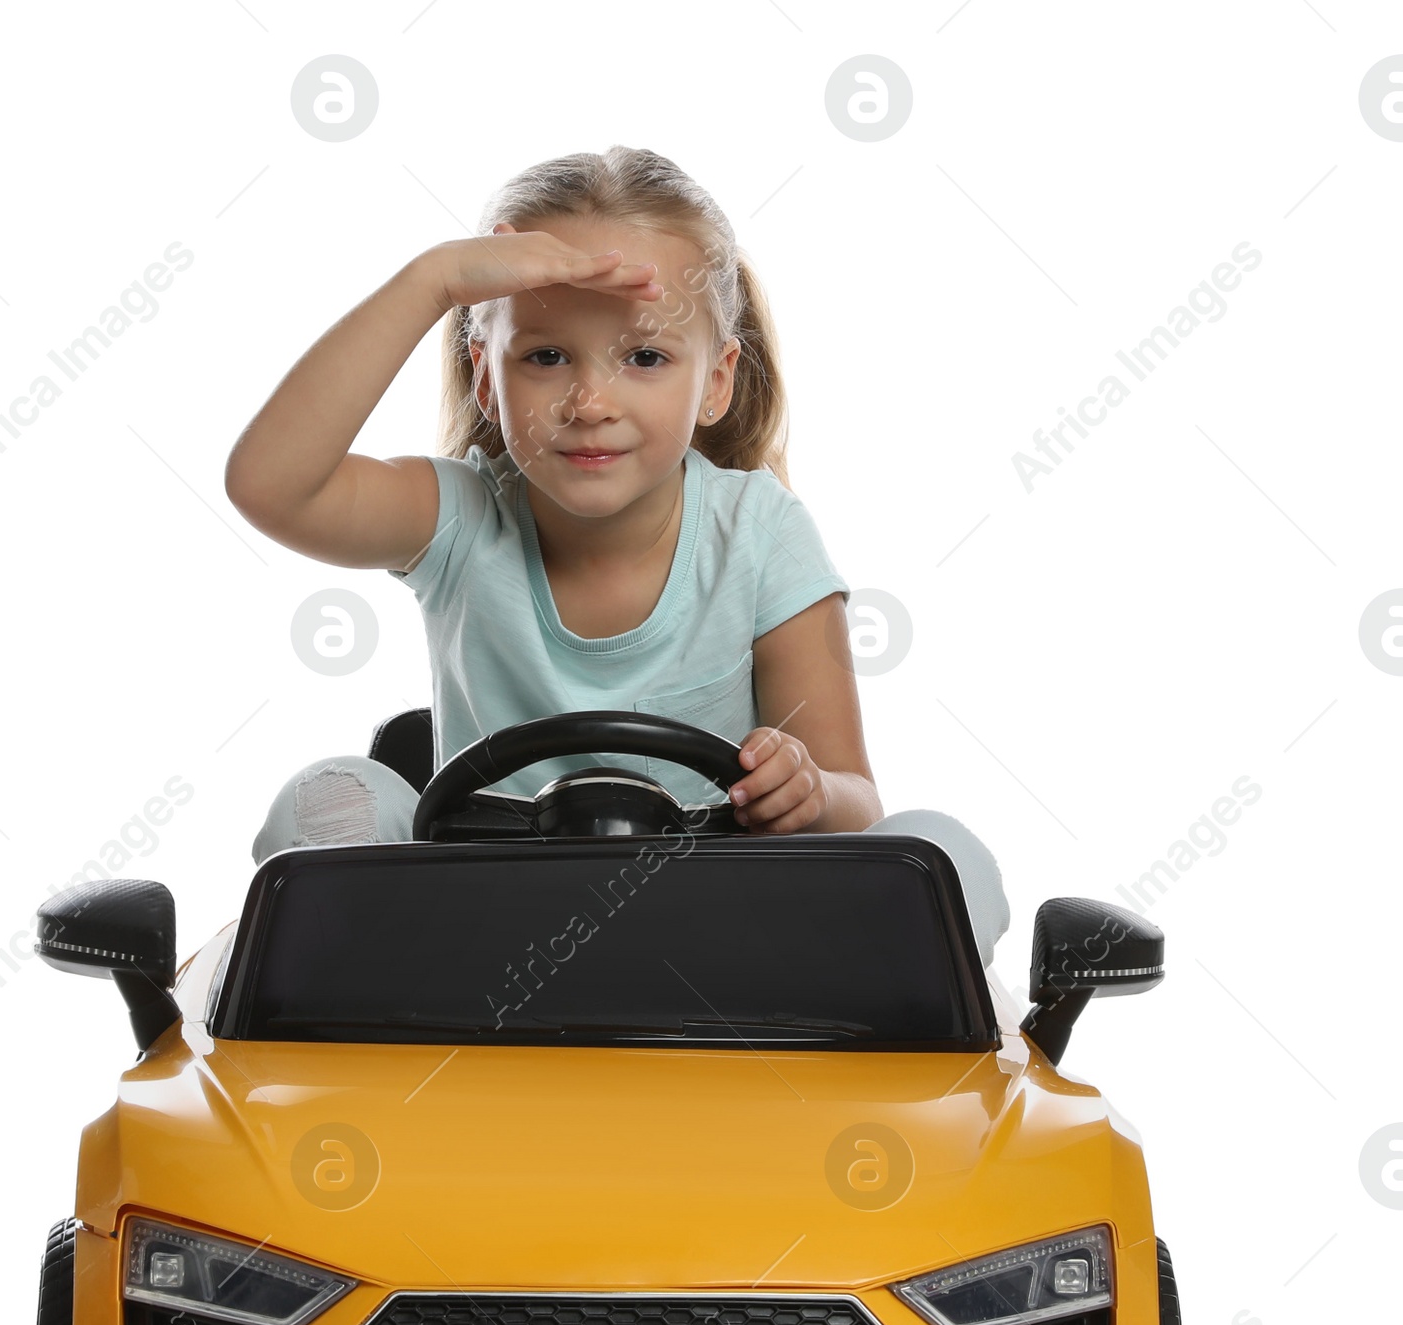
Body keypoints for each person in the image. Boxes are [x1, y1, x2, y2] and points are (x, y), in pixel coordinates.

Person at [224, 145, 1008, 963]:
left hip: (725, 941)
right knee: (330, 796)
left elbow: (857, 800)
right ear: (486, 380)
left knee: (943, 851)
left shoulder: (761, 533)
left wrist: (808, 792)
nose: (590, 403)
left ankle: (863, 1072)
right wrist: (434, 281)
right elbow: (270, 483)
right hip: (477, 941)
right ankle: (351, 1051)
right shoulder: (457, 517)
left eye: (644, 357)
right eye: (544, 355)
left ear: (716, 380)